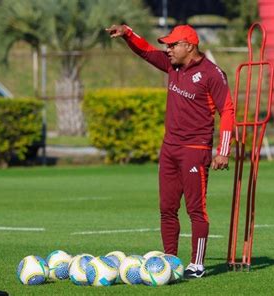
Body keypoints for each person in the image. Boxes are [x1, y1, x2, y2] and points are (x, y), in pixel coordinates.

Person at [106, 24, 235, 278]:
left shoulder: (212, 73)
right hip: (169, 149)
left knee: (196, 210)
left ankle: (197, 264)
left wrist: (224, 150)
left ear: (189, 46)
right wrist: (128, 34)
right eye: (168, 44)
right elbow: (146, 51)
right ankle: (171, 261)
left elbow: (228, 110)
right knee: (167, 208)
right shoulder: (171, 64)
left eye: (173, 44)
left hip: (195, 150)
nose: (168, 49)